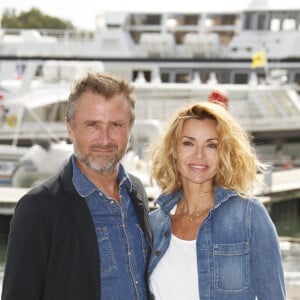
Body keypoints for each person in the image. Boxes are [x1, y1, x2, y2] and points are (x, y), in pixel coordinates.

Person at [2, 72, 152, 300]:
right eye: (92, 125)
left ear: (130, 128)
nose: (105, 139)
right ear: (70, 128)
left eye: (116, 125)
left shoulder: (136, 191)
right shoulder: (38, 208)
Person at [148, 101, 285, 299]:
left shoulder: (249, 216)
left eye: (211, 145)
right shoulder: (153, 226)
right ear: (173, 151)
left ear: (223, 154)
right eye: (188, 143)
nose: (199, 155)